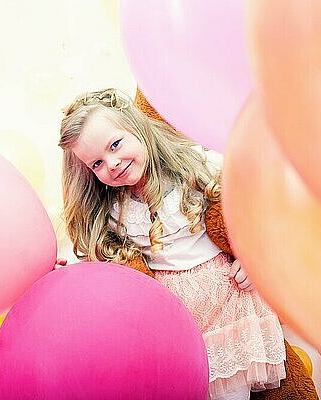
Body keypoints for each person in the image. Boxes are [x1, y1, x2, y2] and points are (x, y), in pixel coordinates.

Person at [57, 88, 286, 400]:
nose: (111, 163)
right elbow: (97, 266)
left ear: (136, 128)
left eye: (115, 144)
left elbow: (253, 210)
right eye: (96, 163)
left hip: (225, 303)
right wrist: (60, 275)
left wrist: (253, 255)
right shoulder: (112, 211)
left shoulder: (196, 168)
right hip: (171, 320)